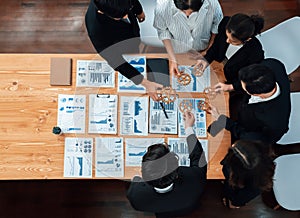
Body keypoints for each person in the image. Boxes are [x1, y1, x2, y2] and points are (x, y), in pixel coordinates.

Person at [127, 111, 207, 217]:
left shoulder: (135, 196)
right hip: (187, 207)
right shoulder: (194, 179)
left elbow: (136, 180)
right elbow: (198, 157)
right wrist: (188, 128)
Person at [85, 0, 163, 100]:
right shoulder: (96, 30)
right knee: (132, 50)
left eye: (127, 12)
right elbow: (116, 61)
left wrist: (138, 11)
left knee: (135, 41)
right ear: (102, 12)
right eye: (120, 16)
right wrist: (145, 82)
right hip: (120, 41)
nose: (126, 16)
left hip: (131, 31)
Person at [207, 58, 291, 144]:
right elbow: (250, 79)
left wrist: (223, 121)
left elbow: (247, 136)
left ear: (255, 94)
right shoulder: (273, 64)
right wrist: (231, 86)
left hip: (246, 129)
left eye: (244, 88)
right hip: (243, 110)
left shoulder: (275, 123)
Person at [194, 13, 265, 92]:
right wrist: (206, 60)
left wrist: (231, 87)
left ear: (247, 39)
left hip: (234, 78)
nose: (227, 41)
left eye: (233, 41)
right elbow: (216, 46)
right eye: (227, 36)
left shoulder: (255, 53)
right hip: (220, 63)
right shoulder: (225, 23)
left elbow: (250, 79)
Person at [153, 0, 223, 75]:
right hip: (178, 51)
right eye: (183, 11)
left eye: (193, 12)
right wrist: (173, 59)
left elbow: (217, 25)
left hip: (203, 48)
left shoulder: (212, 2)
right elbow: (163, 31)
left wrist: (208, 50)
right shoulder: (162, 6)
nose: (187, 14)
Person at [221, 140, 275, 208]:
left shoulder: (255, 187)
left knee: (235, 200)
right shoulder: (259, 153)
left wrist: (234, 201)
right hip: (239, 178)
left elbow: (238, 200)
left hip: (239, 189)